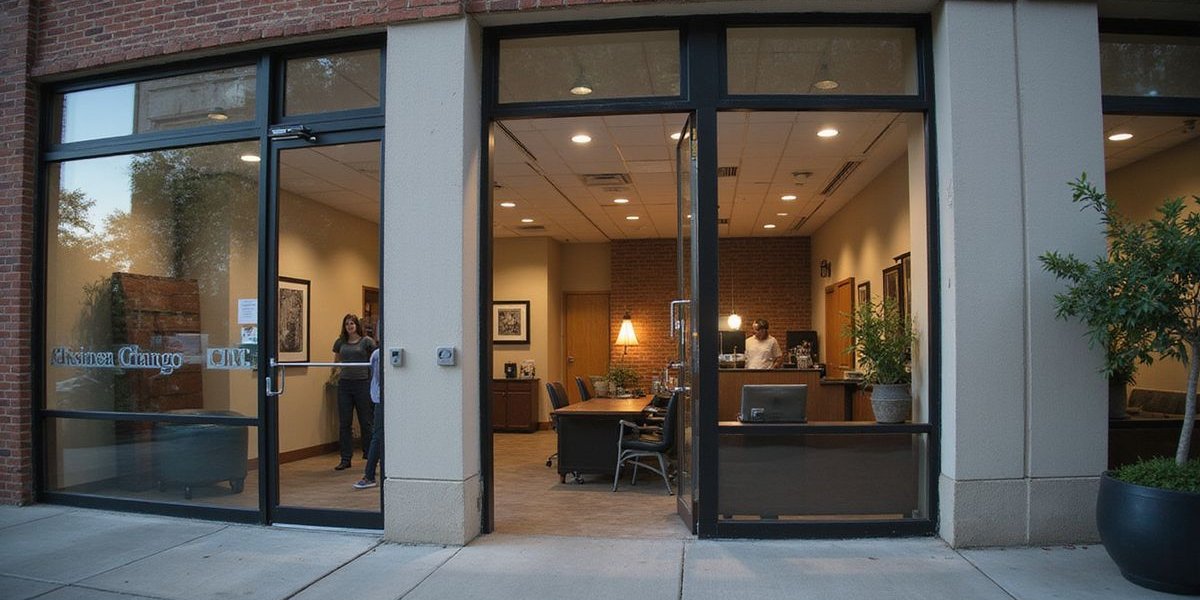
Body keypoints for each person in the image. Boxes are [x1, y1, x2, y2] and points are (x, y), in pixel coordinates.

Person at [333, 313, 376, 470]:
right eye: (347, 324)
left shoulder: (367, 342)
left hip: (362, 383)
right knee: (345, 422)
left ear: (357, 325)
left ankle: (370, 454)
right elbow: (336, 360)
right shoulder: (340, 342)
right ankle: (345, 458)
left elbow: (375, 360)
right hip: (345, 384)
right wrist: (335, 373)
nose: (349, 326)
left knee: (366, 421)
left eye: (352, 323)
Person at [355, 324, 384, 490]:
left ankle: (370, 474)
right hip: (381, 399)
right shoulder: (378, 355)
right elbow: (377, 380)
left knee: (378, 435)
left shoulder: (378, 354)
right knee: (378, 435)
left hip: (382, 398)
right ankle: (369, 474)